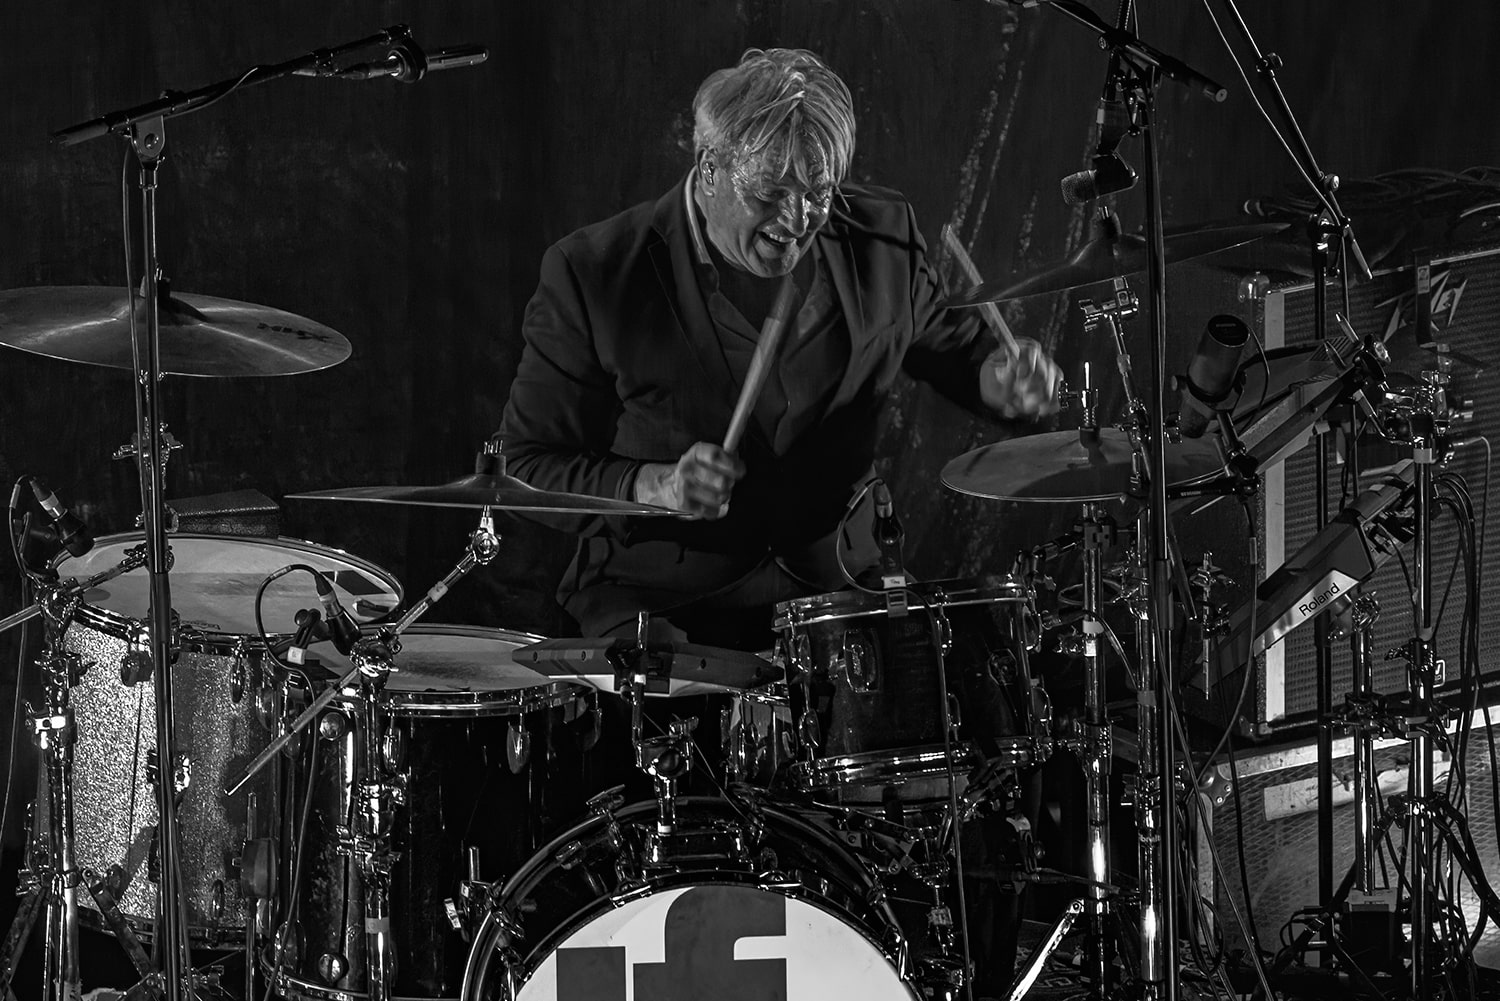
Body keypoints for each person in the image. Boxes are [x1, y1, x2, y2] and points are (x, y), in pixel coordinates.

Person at [498, 47, 1061, 652]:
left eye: (818, 192)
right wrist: (653, 486)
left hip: (842, 584)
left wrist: (998, 378)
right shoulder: (595, 272)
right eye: (770, 192)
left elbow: (954, 348)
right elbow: (526, 465)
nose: (797, 219)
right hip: (662, 598)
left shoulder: (881, 234)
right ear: (709, 169)